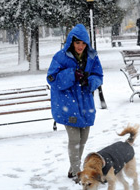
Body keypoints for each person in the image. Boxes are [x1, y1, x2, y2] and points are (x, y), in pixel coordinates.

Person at [46, 24, 103, 183]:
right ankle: (79, 172)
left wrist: (89, 81)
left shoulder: (92, 57)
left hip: (85, 104)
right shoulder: (60, 57)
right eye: (78, 43)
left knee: (83, 139)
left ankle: (73, 170)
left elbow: (99, 76)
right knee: (74, 139)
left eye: (84, 43)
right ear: (72, 42)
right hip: (67, 104)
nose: (80, 46)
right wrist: (72, 74)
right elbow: (52, 79)